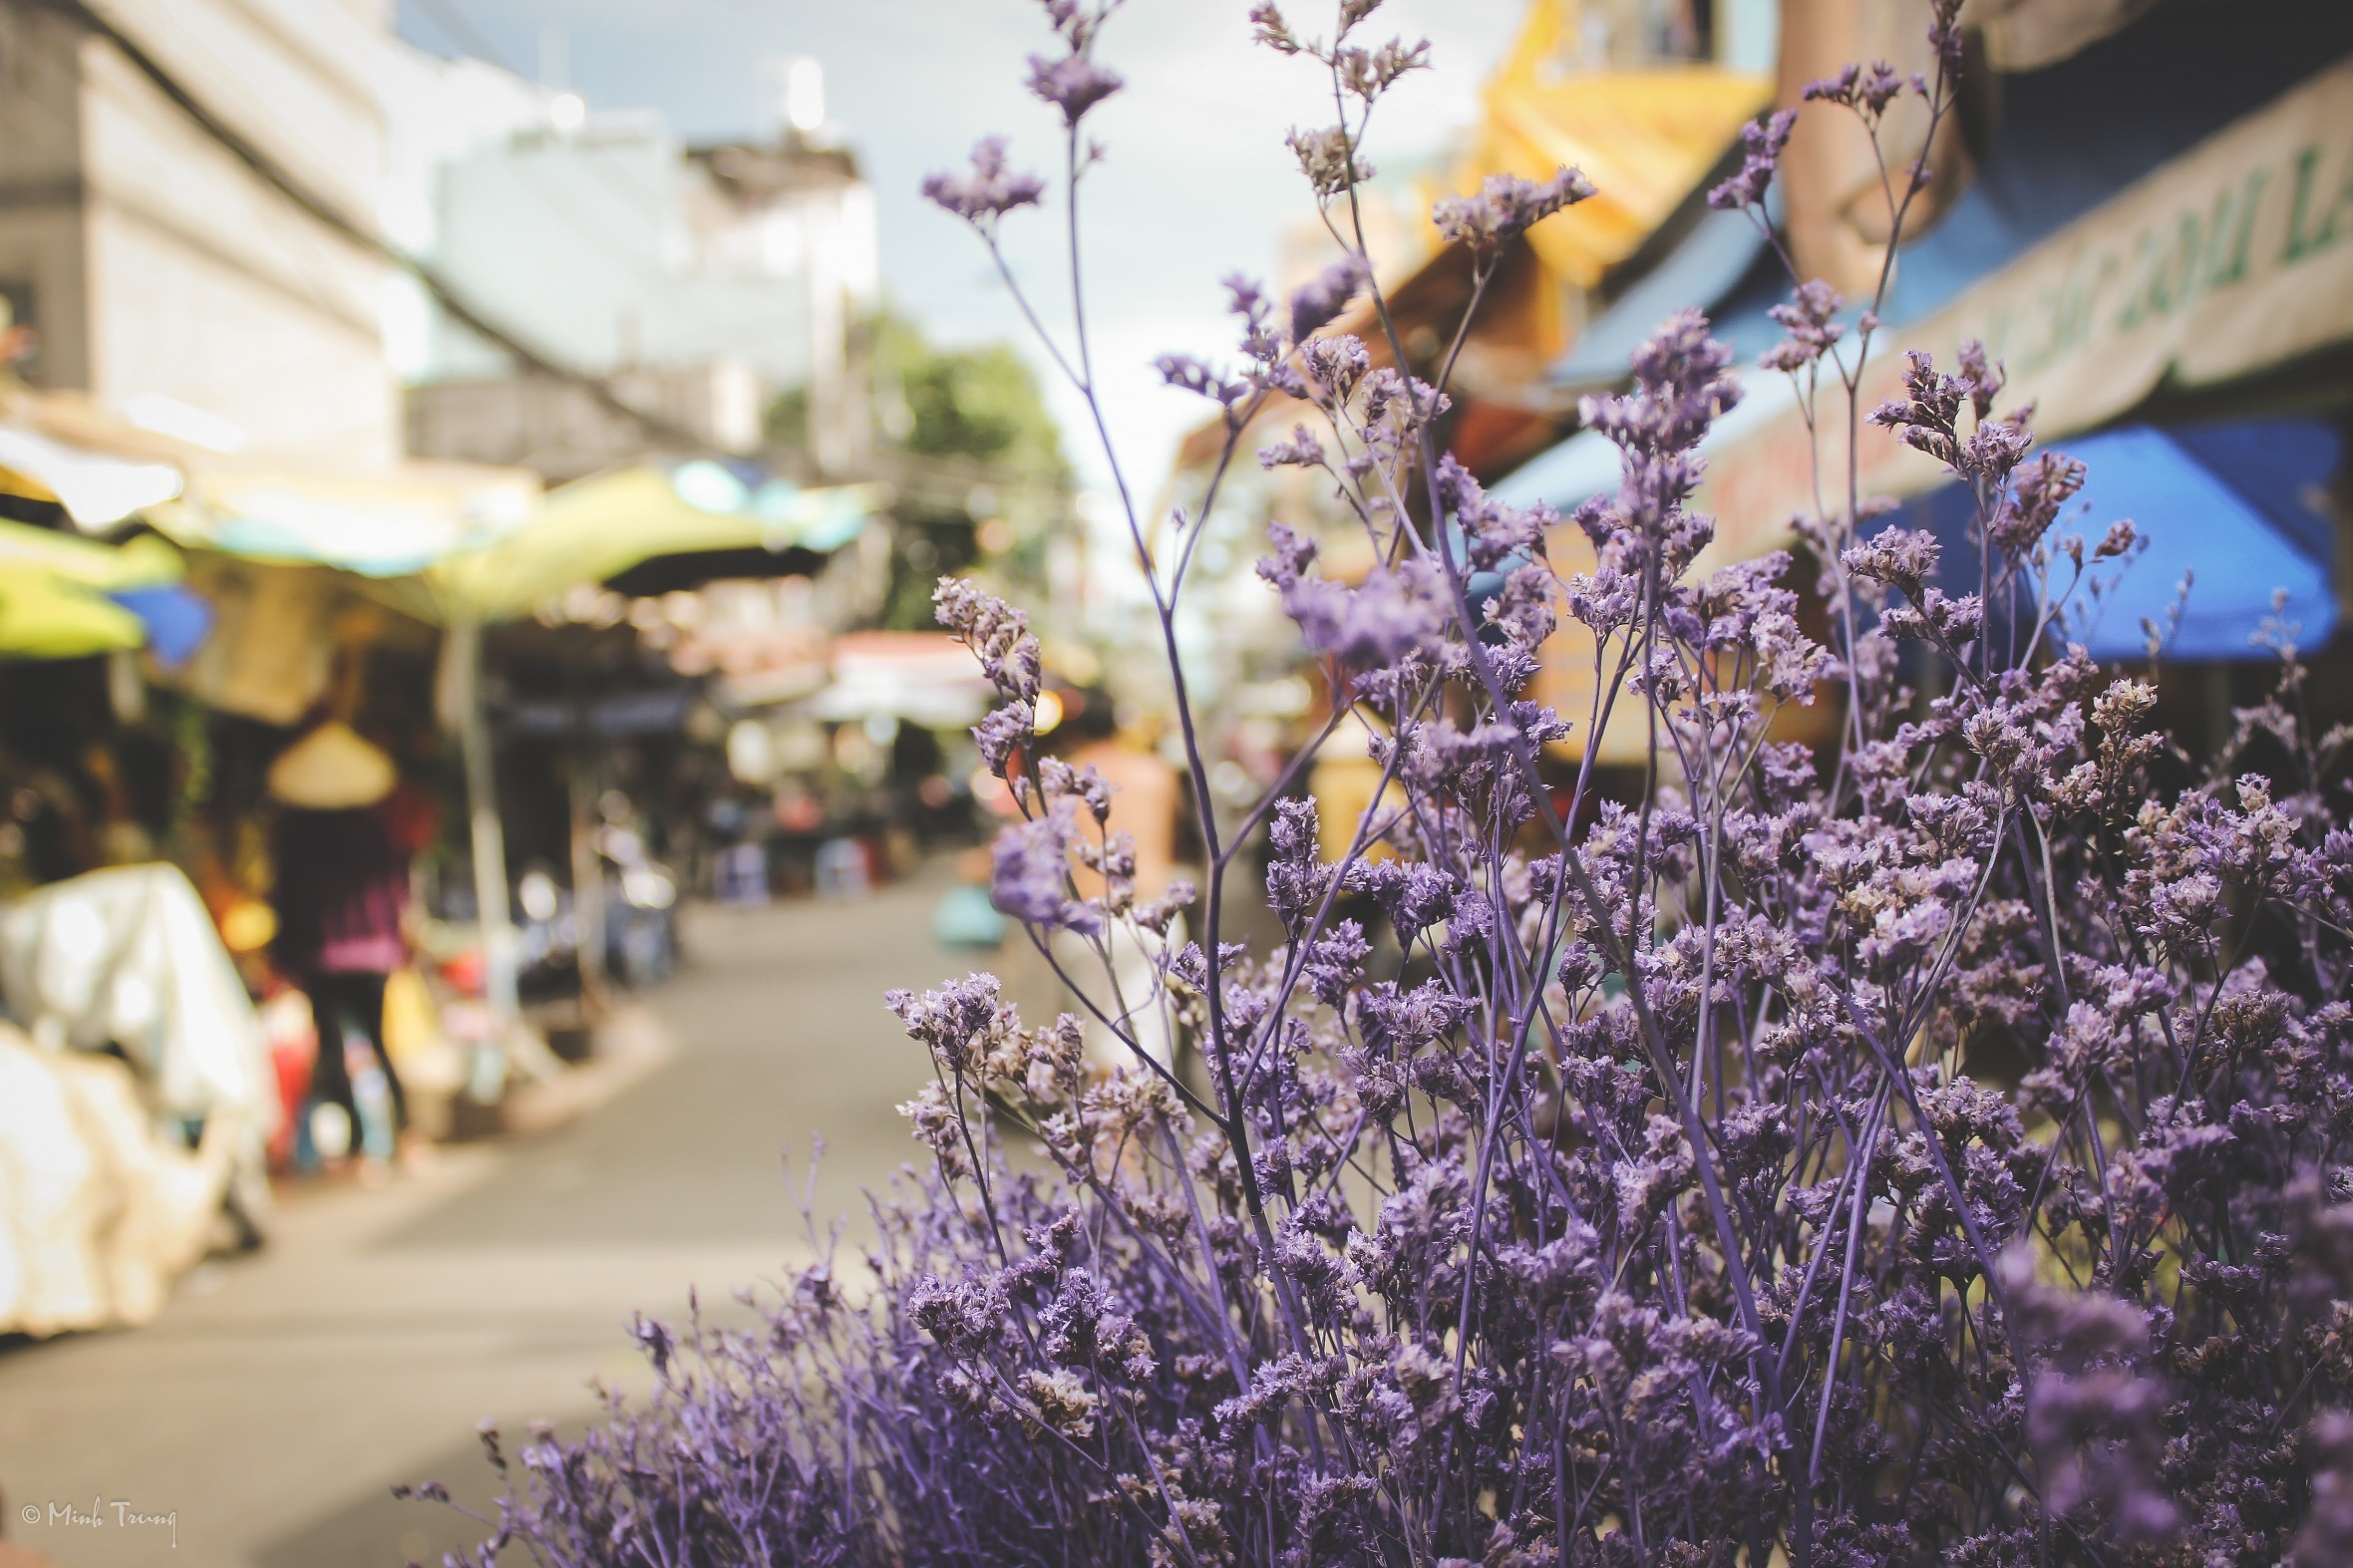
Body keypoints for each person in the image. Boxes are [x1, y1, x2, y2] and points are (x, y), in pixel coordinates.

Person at [264, 722, 413, 1177]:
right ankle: (402, 1134)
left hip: (322, 955)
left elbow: (286, 897)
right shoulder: (374, 830)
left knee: (333, 1048)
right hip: (372, 953)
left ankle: (356, 1143)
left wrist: (285, 953)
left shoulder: (296, 835)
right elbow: (396, 890)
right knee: (378, 1042)